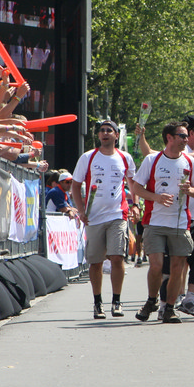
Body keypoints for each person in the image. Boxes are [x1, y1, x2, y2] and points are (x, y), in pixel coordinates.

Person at [132, 121, 194, 324]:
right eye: (182, 136)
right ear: (169, 137)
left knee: (178, 267)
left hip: (180, 223)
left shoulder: (189, 162)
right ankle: (151, 301)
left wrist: (190, 190)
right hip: (155, 222)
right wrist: (155, 197)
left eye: (186, 136)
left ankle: (169, 308)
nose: (186, 139)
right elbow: (136, 187)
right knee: (157, 265)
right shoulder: (152, 160)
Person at [71, 120, 135, 319]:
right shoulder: (88, 157)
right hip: (94, 217)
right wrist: (81, 210)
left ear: (116, 135)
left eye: (109, 130)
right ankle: (98, 303)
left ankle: (117, 301)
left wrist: (135, 204)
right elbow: (75, 185)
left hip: (118, 214)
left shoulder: (125, 158)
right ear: (98, 135)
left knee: (117, 257)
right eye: (102, 131)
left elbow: (133, 183)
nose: (105, 133)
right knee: (96, 262)